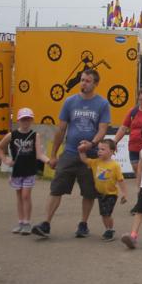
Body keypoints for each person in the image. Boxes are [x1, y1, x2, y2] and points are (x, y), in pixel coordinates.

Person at [32, 69, 111, 239]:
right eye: (82, 80)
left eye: (88, 81)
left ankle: (83, 224)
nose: (84, 83)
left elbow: (102, 129)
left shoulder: (102, 104)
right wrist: (53, 154)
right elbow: (61, 129)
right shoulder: (70, 102)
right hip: (69, 153)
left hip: (90, 156)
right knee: (56, 188)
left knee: (89, 192)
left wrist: (92, 144)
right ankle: (46, 223)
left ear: (95, 84)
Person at [0, 107, 49, 235]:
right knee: (19, 196)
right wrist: (5, 159)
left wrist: (48, 161)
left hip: (29, 170)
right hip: (17, 170)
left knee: (26, 195)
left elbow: (39, 154)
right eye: (23, 119)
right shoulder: (12, 135)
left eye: (28, 119)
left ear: (31, 121)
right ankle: (20, 221)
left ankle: (27, 222)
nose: (26, 122)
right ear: (18, 120)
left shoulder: (34, 135)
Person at [78, 138, 127, 241]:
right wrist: (81, 151)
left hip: (111, 194)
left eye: (103, 149)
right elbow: (85, 160)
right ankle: (108, 229)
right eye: (99, 149)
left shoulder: (115, 165)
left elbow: (121, 180)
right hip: (100, 193)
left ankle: (110, 230)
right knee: (104, 214)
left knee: (106, 213)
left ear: (112, 152)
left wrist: (124, 193)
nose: (99, 151)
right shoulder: (96, 162)